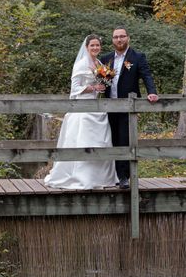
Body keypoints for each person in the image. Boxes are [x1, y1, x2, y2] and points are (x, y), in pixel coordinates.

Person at [44, 35, 119, 190]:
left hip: (97, 106)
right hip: (83, 108)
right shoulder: (80, 64)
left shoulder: (99, 63)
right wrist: (93, 88)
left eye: (97, 45)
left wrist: (104, 83)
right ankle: (82, 177)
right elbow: (74, 88)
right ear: (86, 47)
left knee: (101, 140)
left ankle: (102, 177)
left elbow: (106, 82)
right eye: (92, 45)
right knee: (84, 139)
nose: (95, 48)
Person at [100, 27, 158, 189]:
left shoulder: (137, 57)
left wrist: (151, 92)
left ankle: (124, 176)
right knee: (111, 140)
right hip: (109, 106)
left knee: (125, 140)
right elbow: (102, 80)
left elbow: (146, 75)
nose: (119, 39)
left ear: (128, 38)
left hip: (128, 106)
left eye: (122, 36)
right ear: (112, 40)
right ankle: (112, 175)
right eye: (116, 37)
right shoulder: (106, 59)